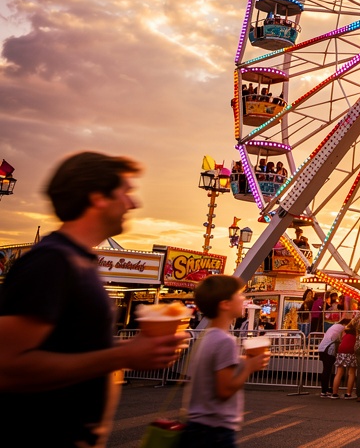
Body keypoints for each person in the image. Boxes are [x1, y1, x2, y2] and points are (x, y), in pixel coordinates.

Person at [0, 152, 187, 448]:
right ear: (98, 197)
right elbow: (7, 367)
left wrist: (136, 349)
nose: (133, 203)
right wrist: (124, 356)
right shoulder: (52, 262)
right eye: (125, 192)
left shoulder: (79, 262)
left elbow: (72, 348)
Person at [182, 275, 269, 447]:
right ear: (225, 304)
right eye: (239, 295)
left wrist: (241, 361)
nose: (244, 299)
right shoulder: (225, 341)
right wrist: (249, 367)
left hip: (200, 426)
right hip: (215, 430)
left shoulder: (208, 337)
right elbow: (224, 390)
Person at [317, 316, 345, 398]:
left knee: (326, 369)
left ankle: (325, 390)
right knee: (327, 370)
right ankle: (325, 390)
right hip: (328, 350)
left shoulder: (334, 326)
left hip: (322, 348)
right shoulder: (342, 327)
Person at [332, 320, 357, 398]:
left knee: (339, 373)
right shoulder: (356, 334)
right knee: (352, 372)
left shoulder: (345, 334)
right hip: (351, 352)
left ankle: (335, 393)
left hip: (341, 352)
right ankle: (348, 393)